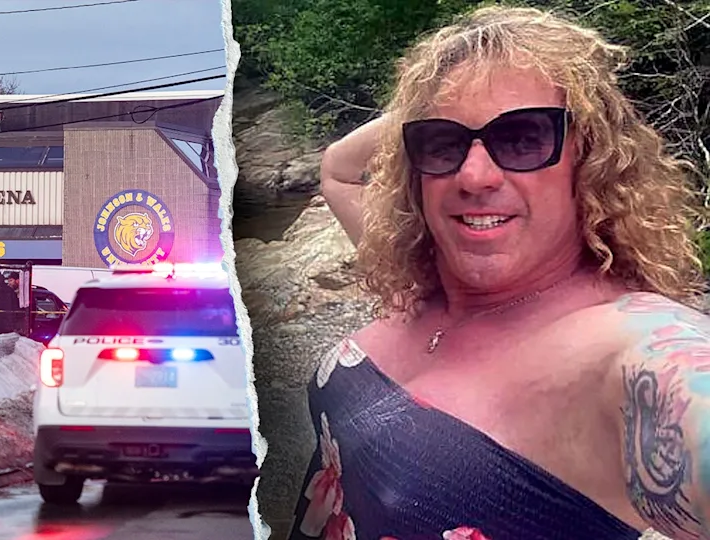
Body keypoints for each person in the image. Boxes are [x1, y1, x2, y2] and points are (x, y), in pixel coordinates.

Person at [288, 6, 708, 540]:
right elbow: (339, 171)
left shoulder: (627, 345)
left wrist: (482, 108)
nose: (474, 175)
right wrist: (443, 101)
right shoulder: (426, 280)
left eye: (523, 137)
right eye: (442, 143)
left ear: (590, 154)